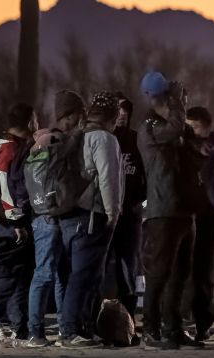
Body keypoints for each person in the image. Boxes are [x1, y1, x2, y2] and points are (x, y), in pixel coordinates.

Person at [137, 72, 201, 350]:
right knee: (159, 273)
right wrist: (178, 105)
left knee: (180, 274)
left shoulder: (175, 127)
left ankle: (172, 327)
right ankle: (150, 329)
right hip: (162, 210)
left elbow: (189, 141)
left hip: (183, 209)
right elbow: (175, 128)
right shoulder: (150, 127)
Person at [54, 91, 122, 348]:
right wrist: (113, 211)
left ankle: (81, 327)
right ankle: (70, 330)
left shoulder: (76, 136)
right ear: (113, 117)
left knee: (78, 274)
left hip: (69, 215)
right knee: (83, 275)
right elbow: (107, 178)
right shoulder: (103, 138)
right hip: (91, 215)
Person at [25, 90, 85, 347]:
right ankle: (36, 332)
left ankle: (63, 330)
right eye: (79, 116)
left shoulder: (43, 140)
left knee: (59, 274)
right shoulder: (55, 141)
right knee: (45, 275)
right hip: (50, 217)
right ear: (69, 116)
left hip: (45, 215)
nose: (81, 121)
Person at [0, 104, 36, 348]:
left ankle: (19, 327)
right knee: (5, 273)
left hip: (5, 221)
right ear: (29, 122)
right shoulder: (8, 148)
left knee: (18, 274)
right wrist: (14, 220)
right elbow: (4, 186)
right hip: (8, 224)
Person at [183, 106, 214, 342]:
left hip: (209, 216)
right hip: (185, 214)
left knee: (203, 271)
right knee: (180, 270)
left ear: (207, 126)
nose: (190, 132)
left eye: (194, 127)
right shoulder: (182, 147)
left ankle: (202, 322)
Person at [109, 96, 145, 319]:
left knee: (127, 268)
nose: (122, 115)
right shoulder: (103, 139)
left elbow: (147, 176)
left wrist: (139, 202)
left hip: (130, 216)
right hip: (106, 214)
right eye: (118, 111)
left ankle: (128, 319)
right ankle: (95, 319)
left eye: (126, 111)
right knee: (99, 267)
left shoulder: (136, 140)